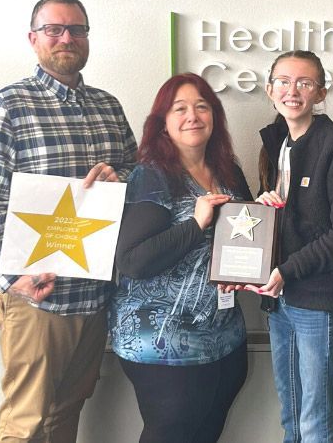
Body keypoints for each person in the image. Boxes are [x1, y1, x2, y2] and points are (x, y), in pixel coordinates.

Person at [0, 0, 136, 443]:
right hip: (35, 298)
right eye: (55, 29)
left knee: (65, 418)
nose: (67, 38)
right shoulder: (7, 105)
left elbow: (136, 178)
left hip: (94, 295)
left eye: (77, 29)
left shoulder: (108, 106)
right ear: (33, 39)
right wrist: (10, 279)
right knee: (25, 424)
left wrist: (122, 177)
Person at [109, 73, 250, 442]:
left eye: (202, 106)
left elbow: (249, 237)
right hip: (164, 345)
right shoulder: (152, 175)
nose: (193, 116)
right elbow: (132, 260)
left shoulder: (228, 172)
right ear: (163, 123)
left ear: (215, 116)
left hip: (224, 337)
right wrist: (196, 224)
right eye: (180, 108)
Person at [251, 49, 333, 443]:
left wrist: (288, 270)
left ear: (320, 93)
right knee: (291, 418)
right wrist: (263, 208)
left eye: (304, 82)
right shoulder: (277, 145)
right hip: (279, 301)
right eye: (284, 82)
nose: (293, 90)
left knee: (316, 424)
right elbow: (290, 221)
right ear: (270, 90)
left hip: (318, 303)